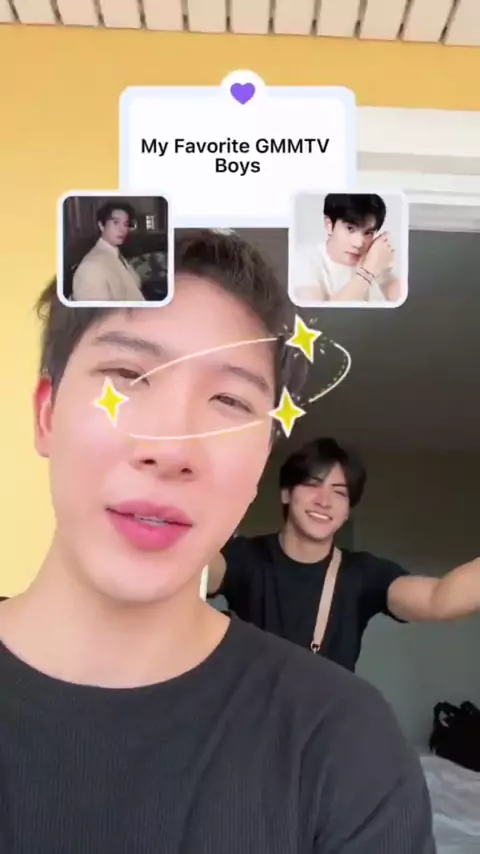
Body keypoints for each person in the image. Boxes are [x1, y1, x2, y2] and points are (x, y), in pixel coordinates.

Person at [0, 231, 434, 852]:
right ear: (47, 414)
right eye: (127, 375)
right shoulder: (252, 562)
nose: (171, 449)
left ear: (261, 459)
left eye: (229, 400)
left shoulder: (345, 743)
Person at [208, 437, 480, 672]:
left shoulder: (363, 573)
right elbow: (199, 572)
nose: (324, 501)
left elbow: (438, 600)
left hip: (324, 715)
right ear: (286, 494)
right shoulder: (244, 556)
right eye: (312, 484)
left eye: (339, 492)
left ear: (347, 510)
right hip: (248, 711)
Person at [294, 193, 402, 303]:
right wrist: (368, 271)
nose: (359, 243)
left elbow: (404, 301)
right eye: (350, 229)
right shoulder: (303, 258)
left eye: (368, 233)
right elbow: (318, 312)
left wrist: (382, 266)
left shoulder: (371, 257)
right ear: (329, 225)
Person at [72, 200, 144, 302]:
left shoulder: (115, 254)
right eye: (116, 222)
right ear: (101, 225)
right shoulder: (91, 266)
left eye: (126, 224)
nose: (122, 229)